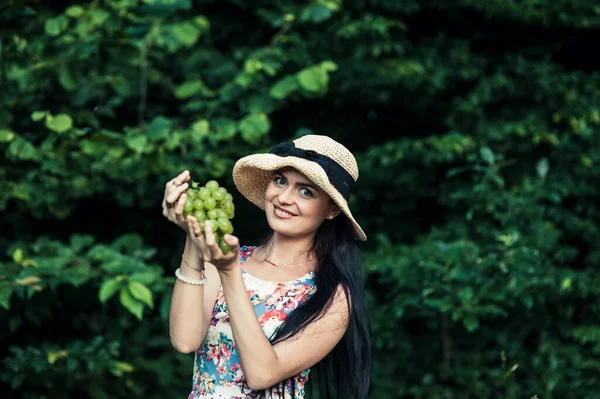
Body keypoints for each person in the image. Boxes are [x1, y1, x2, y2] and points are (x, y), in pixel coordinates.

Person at [163, 135, 372, 399]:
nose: (284, 197)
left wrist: (230, 275)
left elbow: (262, 373)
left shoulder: (333, 296)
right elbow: (184, 340)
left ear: (331, 210)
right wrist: (192, 237)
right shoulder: (227, 259)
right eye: (280, 180)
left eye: (306, 191)